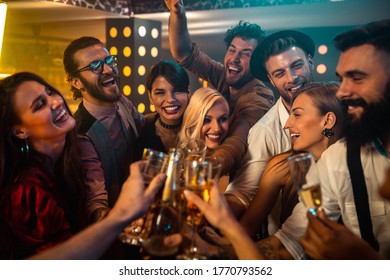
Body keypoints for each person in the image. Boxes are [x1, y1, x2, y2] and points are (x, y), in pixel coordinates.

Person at [256, 19, 390, 260]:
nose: (342, 91)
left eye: (357, 78)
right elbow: (289, 241)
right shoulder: (337, 158)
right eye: (342, 79)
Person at [164, 1, 274, 192]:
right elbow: (184, 53)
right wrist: (178, 14)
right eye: (232, 50)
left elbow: (236, 139)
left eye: (246, 54)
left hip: (241, 183)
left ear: (258, 63)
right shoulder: (225, 76)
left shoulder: (259, 94)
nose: (235, 59)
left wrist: (206, 170)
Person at [0, 72, 92, 259]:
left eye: (50, 92)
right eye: (40, 104)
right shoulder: (26, 192)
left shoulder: (71, 156)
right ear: (20, 131)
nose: (57, 101)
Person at [225, 29, 316, 218]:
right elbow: (242, 192)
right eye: (280, 73)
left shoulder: (342, 108)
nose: (292, 78)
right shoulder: (265, 131)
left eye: (297, 65)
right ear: (271, 81)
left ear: (310, 62)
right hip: (286, 239)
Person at [240, 82, 344, 239]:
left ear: (328, 121)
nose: (287, 125)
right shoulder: (282, 165)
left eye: (297, 114)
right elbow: (248, 226)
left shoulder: (353, 164)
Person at [63, 36, 144, 208]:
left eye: (109, 60)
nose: (108, 69)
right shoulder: (81, 132)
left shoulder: (122, 102)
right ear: (76, 82)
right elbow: (96, 201)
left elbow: (144, 126)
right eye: (95, 66)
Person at [29, 161, 165, 260]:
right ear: (20, 131)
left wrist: (121, 219)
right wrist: (121, 215)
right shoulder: (27, 189)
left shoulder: (68, 156)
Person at [134, 60, 190, 159]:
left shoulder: (199, 129)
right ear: (150, 97)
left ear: (188, 94)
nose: (170, 99)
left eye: (177, 91)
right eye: (160, 93)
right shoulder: (144, 138)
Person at [178, 87, 229, 155]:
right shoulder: (178, 160)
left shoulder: (238, 155)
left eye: (223, 119)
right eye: (206, 120)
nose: (216, 128)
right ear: (192, 121)